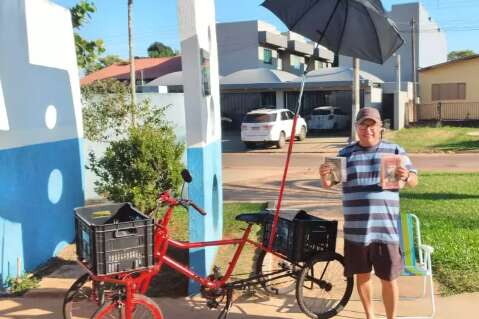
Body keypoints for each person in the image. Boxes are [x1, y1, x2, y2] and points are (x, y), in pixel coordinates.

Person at [319, 107, 418, 319]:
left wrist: (407, 175)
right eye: (363, 125)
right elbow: (329, 183)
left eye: (372, 125)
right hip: (357, 232)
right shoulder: (345, 154)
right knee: (362, 277)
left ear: (380, 127)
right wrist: (324, 176)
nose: (367, 129)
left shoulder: (395, 151)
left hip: (386, 231)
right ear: (356, 127)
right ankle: (369, 316)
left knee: (389, 279)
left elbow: (414, 181)